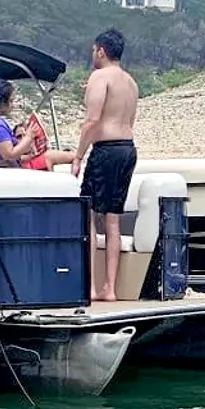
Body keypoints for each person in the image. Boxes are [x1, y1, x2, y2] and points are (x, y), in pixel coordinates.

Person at [76, 28, 139, 302]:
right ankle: (109, 288)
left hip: (106, 150)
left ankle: (89, 285)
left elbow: (92, 120)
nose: (93, 55)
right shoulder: (131, 82)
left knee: (88, 213)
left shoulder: (99, 76)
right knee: (113, 218)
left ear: (101, 50)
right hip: (127, 149)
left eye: (94, 50)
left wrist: (78, 155)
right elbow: (125, 117)